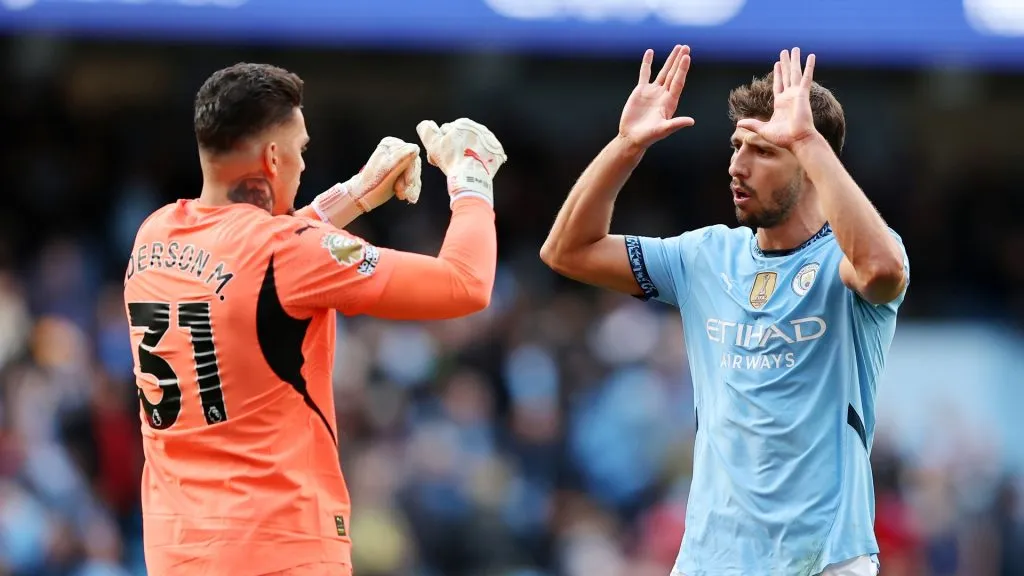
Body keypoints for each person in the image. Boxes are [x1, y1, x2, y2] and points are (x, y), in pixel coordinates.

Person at [122, 62, 507, 575]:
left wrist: (359, 192)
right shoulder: (287, 255)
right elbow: (465, 284)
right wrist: (471, 177)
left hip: (178, 550)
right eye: (301, 150)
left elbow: (255, 256)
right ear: (273, 156)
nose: (304, 166)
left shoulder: (156, 233)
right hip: (280, 547)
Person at [540, 44, 909, 576]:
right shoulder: (705, 257)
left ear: (810, 160)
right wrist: (625, 147)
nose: (736, 166)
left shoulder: (846, 258)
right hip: (711, 560)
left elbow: (879, 270)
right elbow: (566, 252)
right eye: (736, 146)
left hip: (825, 560)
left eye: (762, 150)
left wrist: (805, 137)